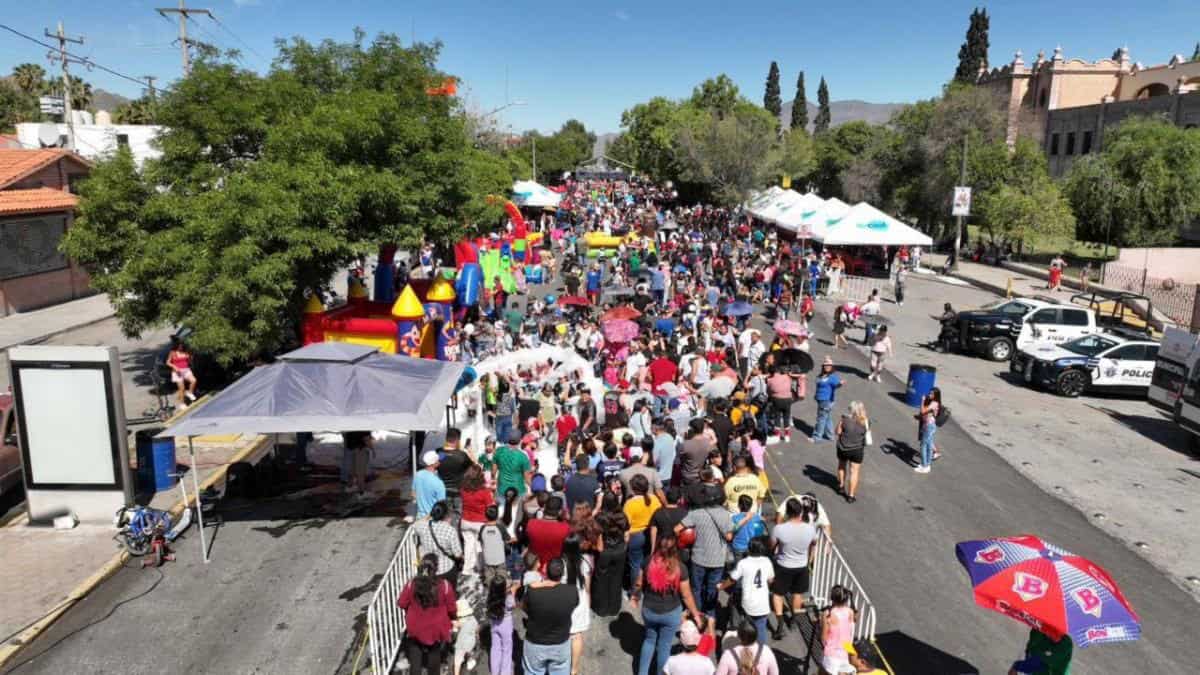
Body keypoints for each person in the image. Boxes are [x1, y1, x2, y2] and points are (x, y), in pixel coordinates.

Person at [631, 533, 704, 675]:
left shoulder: (647, 561)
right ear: (675, 549)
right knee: (664, 646)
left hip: (649, 610)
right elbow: (686, 595)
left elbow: (639, 583)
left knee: (649, 640)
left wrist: (635, 596)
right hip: (671, 613)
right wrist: (696, 614)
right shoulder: (681, 568)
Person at [677, 487, 734, 619]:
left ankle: (697, 614)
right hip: (718, 559)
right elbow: (729, 537)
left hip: (698, 558)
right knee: (712, 589)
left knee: (696, 588)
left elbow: (677, 529)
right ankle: (710, 614)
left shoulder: (695, 513)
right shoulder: (725, 514)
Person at [398, 553, 457, 675]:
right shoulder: (445, 585)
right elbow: (452, 608)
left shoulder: (411, 584)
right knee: (434, 655)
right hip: (436, 628)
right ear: (436, 568)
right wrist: (452, 618)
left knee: (415, 656)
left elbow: (402, 603)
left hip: (415, 626)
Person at [769, 496, 818, 640]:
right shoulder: (809, 529)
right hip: (801, 566)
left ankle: (779, 623)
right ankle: (794, 621)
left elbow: (772, 546)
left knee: (778, 594)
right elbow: (814, 543)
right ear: (801, 512)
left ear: (787, 513)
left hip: (784, 565)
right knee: (798, 594)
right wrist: (809, 559)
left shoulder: (779, 529)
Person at [522, 558, 579, 675]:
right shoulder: (572, 591)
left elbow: (524, 608)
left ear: (546, 571)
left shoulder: (532, 592)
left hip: (535, 643)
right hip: (560, 643)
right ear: (562, 574)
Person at [720, 537, 774, 643]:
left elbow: (732, 579)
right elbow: (770, 580)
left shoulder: (743, 563)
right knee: (761, 629)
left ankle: (743, 643)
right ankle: (761, 651)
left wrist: (721, 586)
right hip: (763, 603)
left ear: (749, 549)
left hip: (748, 602)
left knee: (746, 625)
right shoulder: (767, 561)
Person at [562, 535, 594, 675]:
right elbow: (587, 588)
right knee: (577, 635)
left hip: (564, 602)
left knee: (562, 635)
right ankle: (574, 669)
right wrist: (588, 603)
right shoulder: (585, 561)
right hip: (580, 602)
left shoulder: (560, 563)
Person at [624, 474, 662, 588]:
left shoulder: (630, 503)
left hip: (635, 536)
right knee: (649, 561)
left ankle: (635, 592)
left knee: (635, 565)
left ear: (633, 488)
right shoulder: (654, 499)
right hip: (651, 534)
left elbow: (626, 523)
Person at [417, 501, 464, 584]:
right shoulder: (450, 530)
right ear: (446, 515)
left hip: (427, 569)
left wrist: (429, 515)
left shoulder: (421, 526)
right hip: (445, 569)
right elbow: (457, 554)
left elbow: (414, 525)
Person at [461, 465, 495, 569]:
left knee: (468, 545)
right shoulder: (484, 492)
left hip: (465, 521)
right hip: (480, 522)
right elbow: (491, 507)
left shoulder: (463, 489)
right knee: (479, 546)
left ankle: (467, 568)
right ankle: (480, 569)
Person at [715, 621, 780, 675]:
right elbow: (774, 673)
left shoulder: (728, 655)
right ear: (756, 635)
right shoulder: (766, 651)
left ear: (738, 636)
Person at [835, 402, 869, 504]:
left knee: (842, 465)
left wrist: (841, 422)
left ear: (852, 410)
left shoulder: (845, 420)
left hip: (843, 448)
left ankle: (841, 485)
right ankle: (851, 495)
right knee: (854, 472)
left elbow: (837, 432)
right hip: (857, 450)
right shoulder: (866, 422)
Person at [819, 585, 858, 675]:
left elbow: (823, 637)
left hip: (831, 653)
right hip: (845, 651)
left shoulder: (828, 614)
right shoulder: (850, 612)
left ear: (832, 598)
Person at [526, 496, 571, 570]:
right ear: (560, 511)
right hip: (555, 569)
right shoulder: (565, 528)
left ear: (544, 507)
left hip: (535, 567)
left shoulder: (531, 524)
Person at [486, 574, 517, 675]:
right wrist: (513, 592)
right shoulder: (508, 598)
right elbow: (513, 606)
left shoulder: (490, 597)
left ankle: (495, 672)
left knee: (495, 648)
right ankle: (505, 672)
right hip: (506, 625)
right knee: (506, 650)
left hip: (494, 624)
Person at [809, 356, 842, 443]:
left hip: (826, 401)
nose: (827, 367)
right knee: (827, 418)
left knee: (821, 418)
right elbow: (818, 385)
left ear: (832, 367)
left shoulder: (832, 377)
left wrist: (840, 384)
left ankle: (817, 437)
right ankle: (831, 436)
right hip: (820, 400)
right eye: (825, 365)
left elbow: (837, 385)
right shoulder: (821, 376)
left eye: (829, 365)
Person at [437, 428, 472, 510]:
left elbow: (442, 458)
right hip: (457, 493)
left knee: (443, 518)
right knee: (457, 516)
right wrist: (469, 452)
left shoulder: (439, 452)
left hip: (442, 491)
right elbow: (474, 470)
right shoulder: (462, 455)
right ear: (457, 440)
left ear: (446, 438)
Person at [494, 431, 532, 503]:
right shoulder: (523, 456)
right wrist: (534, 488)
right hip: (519, 491)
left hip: (502, 489)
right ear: (520, 441)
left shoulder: (498, 451)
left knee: (502, 512)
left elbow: (493, 471)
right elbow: (527, 478)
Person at [413, 451, 447, 519]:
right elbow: (441, 505)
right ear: (434, 464)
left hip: (419, 516)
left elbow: (413, 494)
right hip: (433, 518)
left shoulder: (418, 474)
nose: (439, 461)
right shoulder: (438, 482)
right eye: (438, 460)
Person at [916, 387, 941, 474]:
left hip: (929, 426)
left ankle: (924, 465)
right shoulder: (931, 402)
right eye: (929, 393)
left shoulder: (934, 403)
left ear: (935, 396)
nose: (929, 395)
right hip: (927, 425)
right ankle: (927, 465)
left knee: (923, 446)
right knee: (929, 446)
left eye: (931, 394)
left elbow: (923, 411)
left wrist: (922, 401)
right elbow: (925, 414)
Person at [166, 338, 198, 407]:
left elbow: (189, 361)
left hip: (186, 370)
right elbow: (168, 362)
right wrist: (174, 367)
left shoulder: (186, 351)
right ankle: (182, 403)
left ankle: (190, 393)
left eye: (182, 345)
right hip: (177, 372)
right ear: (176, 345)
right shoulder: (172, 352)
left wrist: (190, 358)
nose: (181, 347)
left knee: (194, 380)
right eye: (179, 345)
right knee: (182, 388)